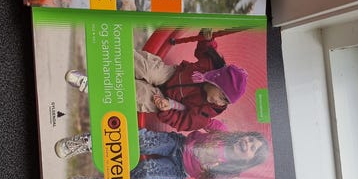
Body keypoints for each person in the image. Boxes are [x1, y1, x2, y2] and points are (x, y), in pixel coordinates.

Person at [65, 29, 249, 132]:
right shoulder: (211, 64)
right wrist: (206, 39)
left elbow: (183, 122)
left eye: (225, 102)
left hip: (169, 103)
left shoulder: (206, 113)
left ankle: (94, 85)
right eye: (222, 96)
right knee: (148, 68)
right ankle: (110, 54)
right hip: (171, 74)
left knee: (141, 95)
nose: (219, 102)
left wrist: (167, 111)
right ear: (216, 80)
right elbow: (204, 50)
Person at [54, 128, 269, 179]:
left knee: (147, 174)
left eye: (252, 147)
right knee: (142, 140)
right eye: (250, 139)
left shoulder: (229, 175)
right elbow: (204, 120)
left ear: (248, 160)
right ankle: (88, 142)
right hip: (178, 144)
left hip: (179, 170)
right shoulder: (223, 133)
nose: (247, 143)